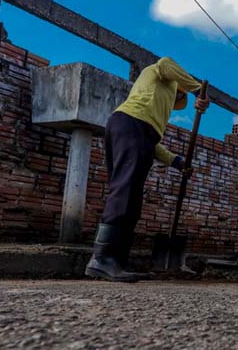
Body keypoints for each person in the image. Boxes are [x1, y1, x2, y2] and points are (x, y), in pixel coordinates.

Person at [85, 57, 210, 282]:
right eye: (179, 93)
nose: (177, 98)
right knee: (124, 191)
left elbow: (150, 142)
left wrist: (176, 161)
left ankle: (117, 261)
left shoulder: (152, 112)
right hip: (129, 125)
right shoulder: (158, 72)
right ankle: (101, 259)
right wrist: (197, 89)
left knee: (132, 199)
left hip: (133, 130)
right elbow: (165, 62)